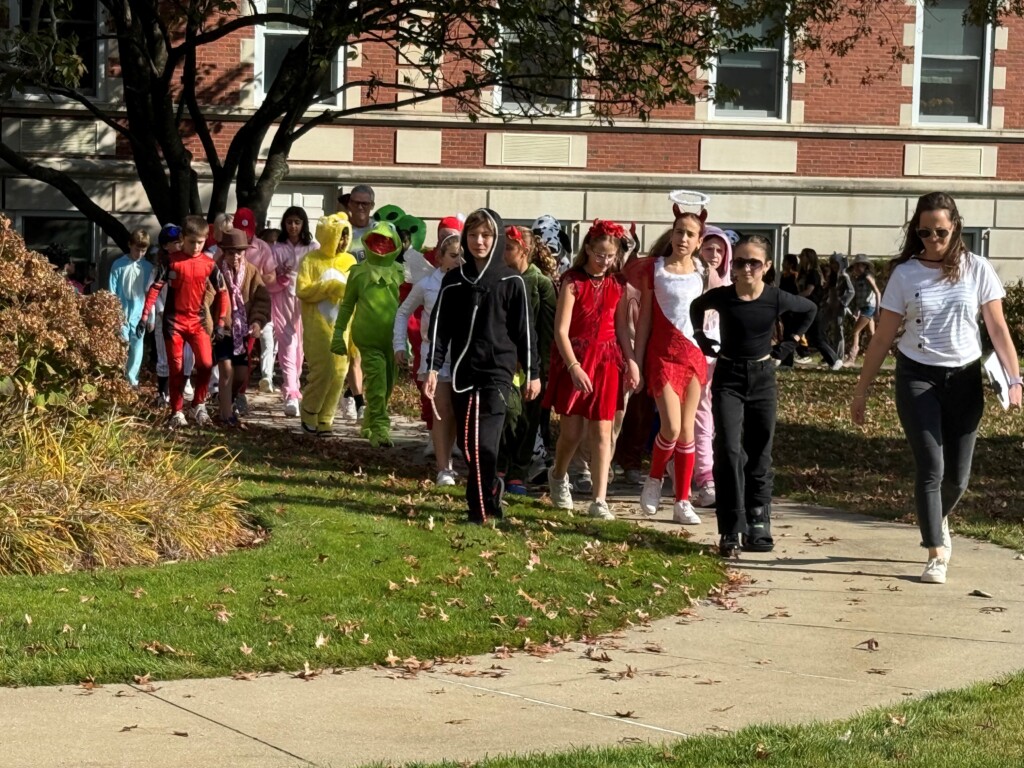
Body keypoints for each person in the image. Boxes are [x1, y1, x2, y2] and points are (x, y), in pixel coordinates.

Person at [851, 192, 1022, 584]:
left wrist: (1015, 379)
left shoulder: (977, 268)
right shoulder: (905, 274)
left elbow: (997, 328)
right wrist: (861, 390)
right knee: (931, 467)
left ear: (956, 227)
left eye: (940, 231)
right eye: (924, 232)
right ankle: (935, 552)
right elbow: (881, 339)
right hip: (917, 377)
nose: (932, 239)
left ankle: (937, 516)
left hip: (963, 379)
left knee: (957, 479)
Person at [690, 235, 817, 556]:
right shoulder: (722, 296)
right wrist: (702, 338)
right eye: (740, 262)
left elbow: (810, 310)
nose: (746, 268)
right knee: (729, 449)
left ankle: (759, 520)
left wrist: (788, 345)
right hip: (728, 377)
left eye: (754, 263)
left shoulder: (775, 298)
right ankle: (731, 527)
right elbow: (696, 306)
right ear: (732, 266)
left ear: (767, 267)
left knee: (759, 450)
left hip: (762, 378)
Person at [425, 208, 540, 524]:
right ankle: (492, 490)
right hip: (463, 373)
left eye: (486, 235)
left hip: (497, 374)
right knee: (467, 442)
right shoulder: (454, 281)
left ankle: (479, 511)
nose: (479, 241)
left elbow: (525, 331)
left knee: (484, 443)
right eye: (473, 235)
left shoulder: (510, 280)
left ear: (497, 238)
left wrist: (533, 373)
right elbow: (440, 328)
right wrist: (433, 369)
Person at [624, 206, 708, 525]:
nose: (683, 238)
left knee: (687, 432)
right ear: (670, 234)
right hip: (661, 355)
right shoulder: (656, 269)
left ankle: (682, 500)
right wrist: (637, 360)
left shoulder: (702, 271)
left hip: (693, 355)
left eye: (690, 234)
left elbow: (710, 313)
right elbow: (644, 318)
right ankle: (655, 478)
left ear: (699, 241)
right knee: (670, 426)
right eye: (678, 231)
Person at [544, 220, 631, 520]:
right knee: (572, 433)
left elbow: (621, 329)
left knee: (603, 431)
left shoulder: (617, 284)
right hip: (577, 360)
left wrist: (631, 361)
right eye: (599, 254)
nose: (604, 261)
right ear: (588, 249)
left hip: (608, 361)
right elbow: (561, 331)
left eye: (610, 256)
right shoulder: (572, 281)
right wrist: (574, 367)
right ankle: (558, 475)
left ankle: (599, 499)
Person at [140, 216, 229, 428]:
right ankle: (177, 411)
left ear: (205, 239)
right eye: (192, 242)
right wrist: (145, 316)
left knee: (206, 364)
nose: (196, 247)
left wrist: (221, 321)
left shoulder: (209, 264)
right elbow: (155, 288)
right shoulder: (171, 261)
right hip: (174, 323)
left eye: (200, 242)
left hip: (197, 322)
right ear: (183, 239)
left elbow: (223, 292)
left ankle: (199, 405)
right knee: (177, 369)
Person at [393, 232, 464, 484]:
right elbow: (402, 313)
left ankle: (450, 459)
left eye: (462, 256)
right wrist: (399, 345)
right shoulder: (427, 284)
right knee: (441, 408)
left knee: (455, 411)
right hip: (433, 354)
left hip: (462, 357)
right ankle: (443, 468)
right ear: (440, 257)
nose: (458, 261)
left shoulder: (468, 281)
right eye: (453, 256)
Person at [330, 220, 405, 448]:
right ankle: (380, 429)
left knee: (388, 384)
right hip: (367, 339)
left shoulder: (400, 273)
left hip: (393, 340)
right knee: (377, 382)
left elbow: (407, 307)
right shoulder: (359, 273)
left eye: (386, 241)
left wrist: (405, 342)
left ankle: (369, 422)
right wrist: (338, 334)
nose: (381, 245)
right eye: (377, 240)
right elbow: (346, 305)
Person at [501, 226, 557, 496]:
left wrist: (539, 369)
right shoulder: (499, 278)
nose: (502, 253)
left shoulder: (540, 283)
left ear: (524, 250)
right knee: (504, 414)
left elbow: (547, 331)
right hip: (503, 360)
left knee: (527, 419)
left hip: (531, 365)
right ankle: (500, 464)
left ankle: (518, 470)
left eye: (508, 247)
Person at [296, 213, 357, 435]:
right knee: (323, 370)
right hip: (317, 325)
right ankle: (309, 412)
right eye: (339, 236)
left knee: (340, 372)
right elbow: (302, 290)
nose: (342, 242)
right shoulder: (311, 260)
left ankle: (326, 417)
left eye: (345, 237)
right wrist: (328, 287)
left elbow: (355, 294)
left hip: (343, 325)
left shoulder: (350, 262)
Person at [691, 224, 734, 509]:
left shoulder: (730, 284)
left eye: (720, 249)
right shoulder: (690, 278)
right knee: (700, 415)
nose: (714, 254)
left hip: (723, 358)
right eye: (709, 248)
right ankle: (705, 475)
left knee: (714, 417)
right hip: (694, 355)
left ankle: (703, 469)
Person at [214, 229, 271, 427]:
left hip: (242, 330)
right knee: (226, 371)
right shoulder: (216, 271)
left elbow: (262, 301)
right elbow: (207, 299)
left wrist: (257, 322)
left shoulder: (252, 272)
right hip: (222, 330)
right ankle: (226, 415)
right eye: (230, 252)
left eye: (239, 252)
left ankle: (226, 402)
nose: (235, 256)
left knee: (239, 375)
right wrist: (213, 324)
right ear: (224, 252)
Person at [271, 206, 317, 417]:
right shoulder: (277, 247)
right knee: (287, 343)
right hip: (282, 299)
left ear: (303, 224)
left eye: (297, 222)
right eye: (289, 222)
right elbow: (267, 275)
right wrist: (279, 273)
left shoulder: (313, 247)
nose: (293, 226)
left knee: (301, 346)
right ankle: (291, 392)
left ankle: (294, 387)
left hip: (306, 301)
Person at [231, 208, 277, 400]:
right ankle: (222, 391)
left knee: (247, 351)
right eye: (243, 235)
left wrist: (253, 276)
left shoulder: (263, 248)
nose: (246, 240)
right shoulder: (226, 245)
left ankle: (240, 393)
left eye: (249, 235)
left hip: (251, 307)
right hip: (230, 309)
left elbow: (272, 277)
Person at [339, 184, 376, 419]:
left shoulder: (380, 231)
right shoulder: (341, 230)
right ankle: (359, 402)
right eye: (356, 203)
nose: (360, 207)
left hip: (373, 300)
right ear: (349, 204)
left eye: (365, 203)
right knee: (354, 355)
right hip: (346, 299)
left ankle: (349, 395)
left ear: (372, 206)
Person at [108, 228, 154, 387]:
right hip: (121, 310)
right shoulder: (118, 265)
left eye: (143, 250)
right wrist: (112, 311)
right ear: (130, 245)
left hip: (140, 312)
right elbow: (112, 290)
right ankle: (118, 375)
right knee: (122, 343)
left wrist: (151, 317)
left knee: (137, 345)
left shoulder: (148, 267)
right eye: (137, 249)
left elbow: (151, 294)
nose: (140, 254)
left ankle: (132, 379)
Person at [795, 248, 843, 370]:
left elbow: (809, 291)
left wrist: (793, 297)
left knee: (818, 337)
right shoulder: (803, 273)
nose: (800, 258)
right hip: (804, 307)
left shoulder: (813, 274)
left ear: (809, 258)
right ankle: (789, 358)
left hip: (813, 307)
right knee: (804, 334)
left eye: (803, 256)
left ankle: (834, 360)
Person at [844, 254, 882, 365]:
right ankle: (876, 358)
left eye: (859, 265)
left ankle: (852, 358)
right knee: (871, 334)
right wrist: (857, 309)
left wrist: (877, 311)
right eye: (855, 266)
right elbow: (858, 297)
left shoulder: (867, 277)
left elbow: (877, 292)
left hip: (869, 308)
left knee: (855, 331)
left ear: (865, 266)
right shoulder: (857, 280)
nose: (856, 268)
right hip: (863, 307)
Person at [821, 252, 855, 361]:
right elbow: (829, 290)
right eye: (832, 263)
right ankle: (830, 352)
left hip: (838, 306)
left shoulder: (844, 276)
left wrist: (842, 302)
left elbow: (851, 291)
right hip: (829, 305)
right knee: (822, 328)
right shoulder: (832, 276)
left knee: (838, 330)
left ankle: (838, 356)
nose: (833, 265)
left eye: (835, 263)